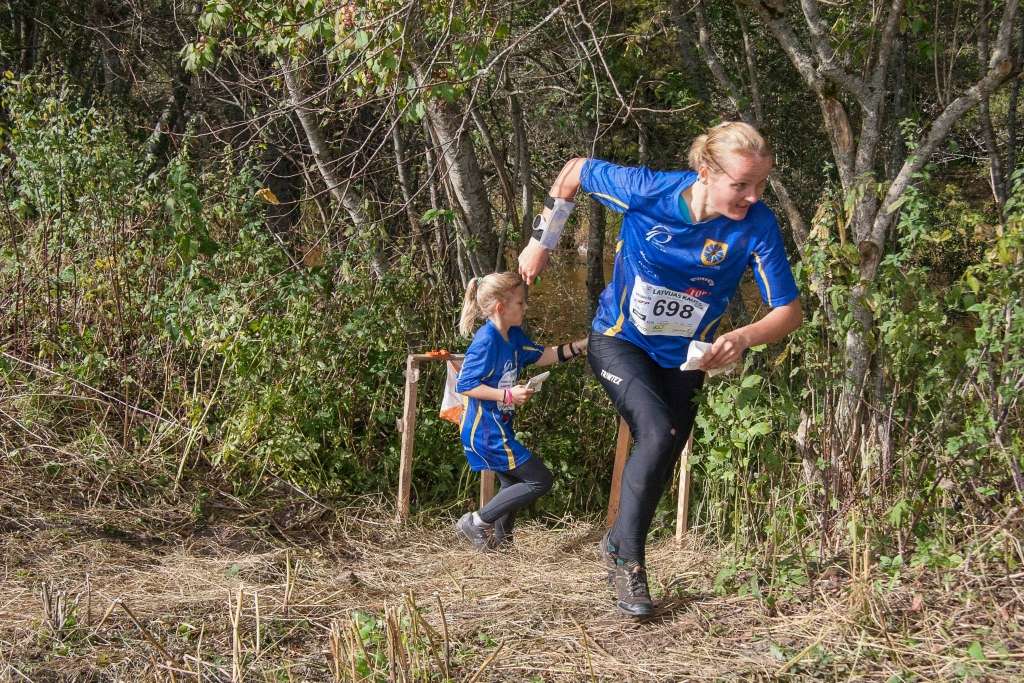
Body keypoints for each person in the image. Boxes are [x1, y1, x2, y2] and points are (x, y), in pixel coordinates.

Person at [518, 122, 803, 617]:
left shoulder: (756, 225)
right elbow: (575, 172)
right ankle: (627, 560)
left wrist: (740, 337)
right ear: (705, 172)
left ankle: (619, 542)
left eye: (761, 185)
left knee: (663, 448)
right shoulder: (647, 191)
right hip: (617, 341)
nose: (753, 197)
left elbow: (788, 312)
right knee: (655, 430)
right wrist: (543, 240)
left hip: (685, 357)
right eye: (741, 184)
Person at [454, 272, 589, 550]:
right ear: (501, 307)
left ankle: (502, 545)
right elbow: (465, 384)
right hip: (485, 430)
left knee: (512, 482)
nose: (525, 307)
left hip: (500, 426)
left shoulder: (513, 335)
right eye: (520, 303)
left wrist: (581, 346)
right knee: (539, 480)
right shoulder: (487, 340)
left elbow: (542, 355)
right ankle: (476, 522)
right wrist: (507, 394)